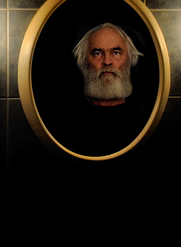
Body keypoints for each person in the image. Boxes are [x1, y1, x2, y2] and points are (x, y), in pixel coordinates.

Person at [53, 23, 147, 156]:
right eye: (97, 53)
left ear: (131, 59)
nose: (107, 61)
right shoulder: (64, 127)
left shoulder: (146, 123)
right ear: (83, 62)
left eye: (116, 52)